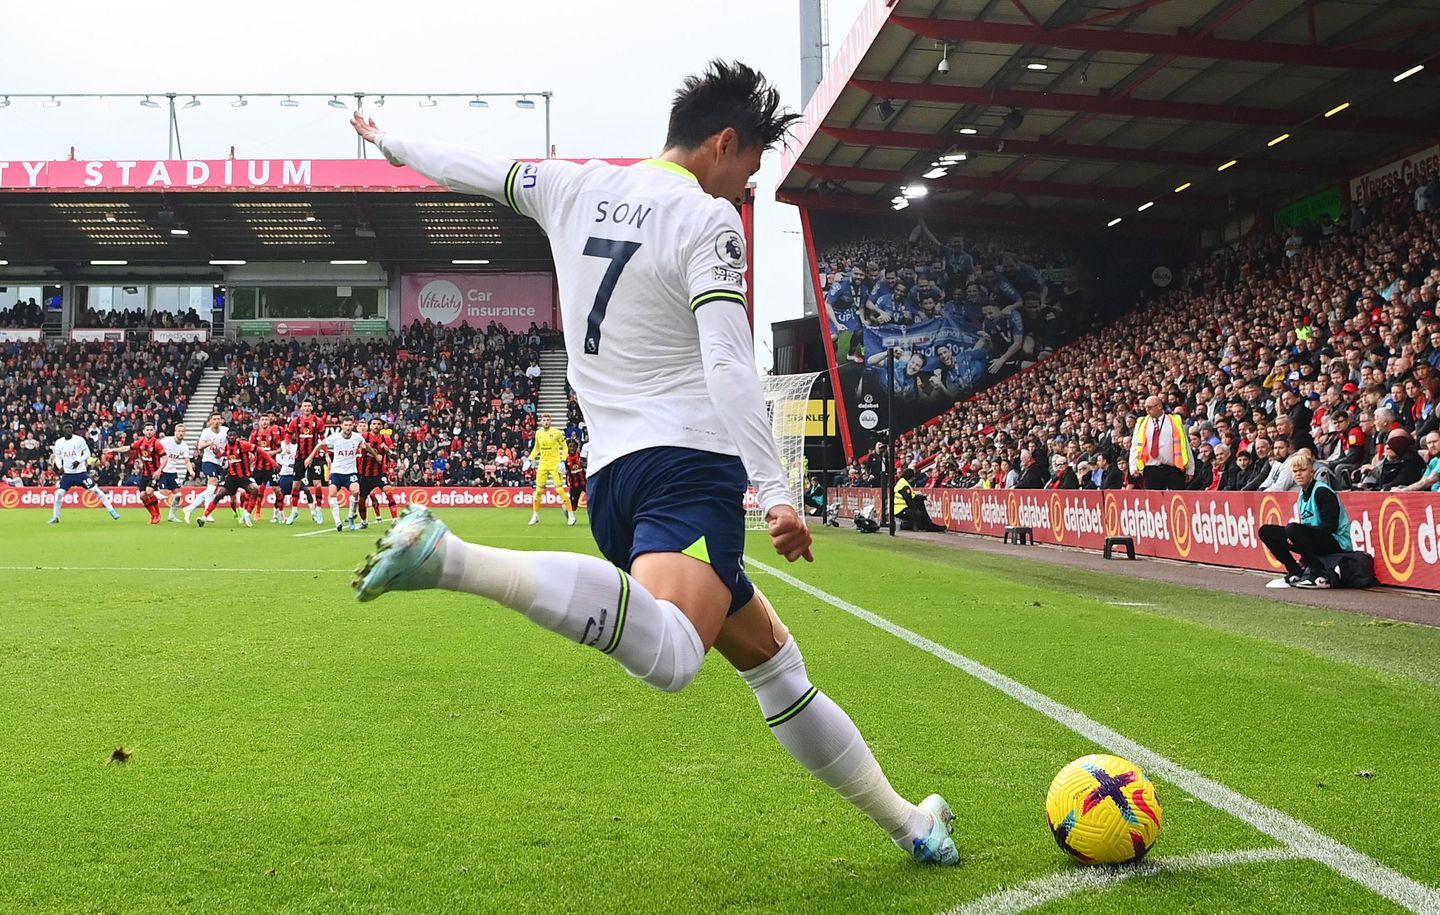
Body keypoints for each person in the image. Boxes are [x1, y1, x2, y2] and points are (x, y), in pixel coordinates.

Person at [348, 61, 958, 866]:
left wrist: (390, 143)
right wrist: (774, 488)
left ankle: (909, 822)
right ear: (723, 142)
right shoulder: (707, 223)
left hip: (613, 481)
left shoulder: (568, 184)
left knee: (776, 662)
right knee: (673, 657)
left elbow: (471, 166)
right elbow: (729, 363)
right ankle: (453, 559)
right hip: (687, 468)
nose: (745, 190)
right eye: (747, 171)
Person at [1258, 452, 1352, 589]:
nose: (1298, 474)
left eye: (1302, 470)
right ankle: (1294, 571)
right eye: (1295, 471)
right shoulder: (1302, 493)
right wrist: (1297, 535)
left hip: (1336, 542)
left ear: (1311, 472)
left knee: (1293, 529)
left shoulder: (1322, 492)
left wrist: (1298, 534)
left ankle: (1319, 573)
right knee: (1266, 531)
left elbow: (1330, 527)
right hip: (1314, 538)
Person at [306, 417, 376, 531]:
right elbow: (320, 445)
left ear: (353, 426)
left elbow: (366, 446)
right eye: (346, 425)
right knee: (332, 493)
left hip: (350, 472)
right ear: (341, 426)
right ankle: (338, 521)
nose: (348, 427)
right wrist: (310, 457)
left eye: (350, 425)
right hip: (336, 472)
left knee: (356, 491)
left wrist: (375, 455)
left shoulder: (357, 437)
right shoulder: (334, 438)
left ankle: (351, 515)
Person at [47, 421, 121, 524]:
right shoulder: (59, 442)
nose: (68, 430)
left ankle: (112, 510)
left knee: (96, 491)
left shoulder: (79, 440)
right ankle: (55, 517)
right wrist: (60, 467)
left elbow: (87, 453)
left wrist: (79, 460)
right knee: (59, 494)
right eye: (66, 428)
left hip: (80, 473)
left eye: (70, 427)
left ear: (72, 429)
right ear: (63, 429)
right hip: (68, 475)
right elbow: (58, 458)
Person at [198, 429, 271, 528]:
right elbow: (220, 455)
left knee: (255, 490)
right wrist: (215, 451)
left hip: (244, 477)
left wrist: (273, 463)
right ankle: (204, 517)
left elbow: (260, 451)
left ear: (236, 436)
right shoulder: (227, 447)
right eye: (229, 435)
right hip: (232, 478)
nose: (231, 437)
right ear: (227, 436)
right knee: (219, 495)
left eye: (233, 435)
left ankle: (247, 514)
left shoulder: (243, 445)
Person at [103, 421, 167, 524]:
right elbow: (128, 448)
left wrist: (159, 471)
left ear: (154, 431)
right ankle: (153, 515)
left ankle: (157, 515)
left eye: (151, 430)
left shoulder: (157, 444)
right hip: (145, 473)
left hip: (154, 473)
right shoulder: (140, 442)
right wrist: (112, 450)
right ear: (144, 431)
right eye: (147, 430)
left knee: (149, 492)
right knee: (142, 496)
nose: (149, 432)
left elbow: (165, 458)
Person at [1130, 396, 1192, 490]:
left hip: (1173, 468)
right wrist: (1133, 465)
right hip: (1150, 468)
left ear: (1159, 406)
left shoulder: (1174, 421)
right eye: (1146, 407)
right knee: (1154, 500)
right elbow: (1135, 445)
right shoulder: (1142, 422)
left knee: (1177, 498)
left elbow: (1185, 445)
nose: (1147, 410)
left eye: (1150, 407)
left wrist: (1190, 468)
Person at [525, 412, 577, 526]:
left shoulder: (557, 433)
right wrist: (529, 460)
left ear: (551, 421)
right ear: (541, 421)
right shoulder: (538, 433)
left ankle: (571, 515)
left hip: (555, 464)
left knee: (559, 490)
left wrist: (563, 461)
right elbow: (536, 448)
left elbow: (565, 447)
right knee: (538, 491)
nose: (546, 422)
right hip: (543, 464)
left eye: (548, 420)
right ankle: (535, 515)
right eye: (544, 420)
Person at [288, 400, 329, 525]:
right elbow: (288, 435)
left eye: (308, 406)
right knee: (295, 485)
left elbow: (323, 439)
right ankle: (294, 511)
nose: (306, 408)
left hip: (315, 456)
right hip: (300, 457)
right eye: (304, 406)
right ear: (301, 408)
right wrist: (287, 446)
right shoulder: (295, 422)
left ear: (312, 407)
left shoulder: (318, 421)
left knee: (317, 485)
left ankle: (318, 509)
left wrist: (326, 453)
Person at [183, 413, 228, 523]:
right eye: (214, 419)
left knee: (211, 490)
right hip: (208, 461)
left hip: (220, 462)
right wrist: (209, 443)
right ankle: (208, 513)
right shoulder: (206, 432)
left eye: (218, 419)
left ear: (221, 420)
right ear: (210, 421)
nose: (216, 421)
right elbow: (199, 446)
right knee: (212, 483)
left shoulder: (226, 430)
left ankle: (189, 508)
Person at [156, 422, 195, 523]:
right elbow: (156, 447)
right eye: (179, 431)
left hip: (172, 472)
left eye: (182, 431)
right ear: (175, 432)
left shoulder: (184, 446)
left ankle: (171, 516)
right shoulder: (166, 441)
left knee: (178, 494)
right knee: (164, 494)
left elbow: (187, 461)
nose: (181, 433)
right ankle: (149, 494)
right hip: (163, 470)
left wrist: (191, 470)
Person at [893, 466, 946, 532]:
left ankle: (929, 525)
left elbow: (913, 496)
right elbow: (909, 500)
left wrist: (925, 498)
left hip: (900, 508)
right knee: (919, 514)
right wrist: (916, 509)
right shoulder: (904, 486)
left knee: (919, 503)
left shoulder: (903, 482)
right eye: (913, 477)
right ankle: (929, 526)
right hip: (900, 510)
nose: (913, 479)